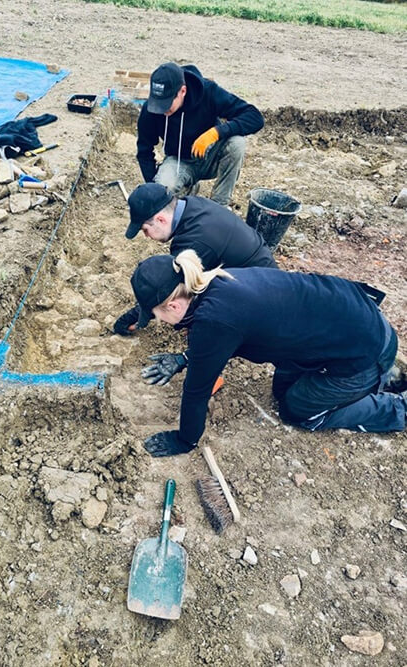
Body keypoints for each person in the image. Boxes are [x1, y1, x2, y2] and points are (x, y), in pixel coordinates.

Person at [128, 250, 405, 457]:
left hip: (363, 351)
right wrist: (187, 358)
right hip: (356, 322)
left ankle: (396, 404)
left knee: (296, 411)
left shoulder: (212, 322)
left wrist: (185, 440)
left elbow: (196, 391)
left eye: (155, 316)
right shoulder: (217, 280)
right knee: (282, 390)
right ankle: (382, 374)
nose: (158, 321)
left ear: (174, 307)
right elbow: (234, 332)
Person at [113, 182, 277, 335]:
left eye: (145, 230)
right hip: (260, 272)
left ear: (160, 220)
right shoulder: (190, 205)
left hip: (262, 298)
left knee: (190, 307)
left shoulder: (195, 241)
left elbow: (165, 290)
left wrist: (134, 318)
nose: (147, 236)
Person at [137, 62, 264, 206]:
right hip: (179, 162)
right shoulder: (152, 108)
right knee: (163, 194)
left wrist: (216, 133)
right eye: (159, 103)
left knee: (237, 143)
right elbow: (144, 151)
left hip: (210, 156)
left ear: (183, 91)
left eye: (167, 103)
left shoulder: (208, 92)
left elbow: (255, 117)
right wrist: (154, 188)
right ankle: (188, 187)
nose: (162, 109)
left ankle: (219, 205)